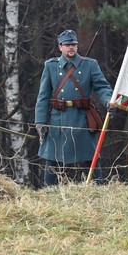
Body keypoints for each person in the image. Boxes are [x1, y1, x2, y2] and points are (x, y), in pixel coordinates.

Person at [34, 29, 113, 186]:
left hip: (82, 118)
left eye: (74, 45)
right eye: (67, 45)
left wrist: (108, 101)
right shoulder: (51, 66)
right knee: (52, 158)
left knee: (91, 157)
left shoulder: (90, 65)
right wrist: (40, 120)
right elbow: (43, 96)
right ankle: (48, 191)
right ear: (60, 47)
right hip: (58, 118)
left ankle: (99, 188)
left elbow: (102, 87)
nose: (71, 48)